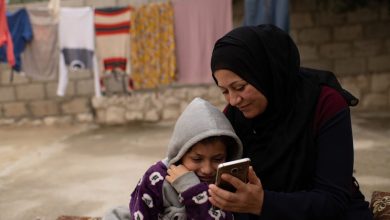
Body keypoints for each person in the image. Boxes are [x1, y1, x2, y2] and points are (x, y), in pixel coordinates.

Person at [207, 24, 373, 219]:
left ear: (265, 73)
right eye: (225, 91)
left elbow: (332, 200)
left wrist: (262, 203)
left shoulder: (324, 104)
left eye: (240, 87)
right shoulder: (233, 116)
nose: (234, 100)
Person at [129, 97, 244, 219]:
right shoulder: (156, 178)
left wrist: (192, 189)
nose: (207, 169)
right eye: (197, 159)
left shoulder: (229, 182)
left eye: (217, 159)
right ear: (180, 153)